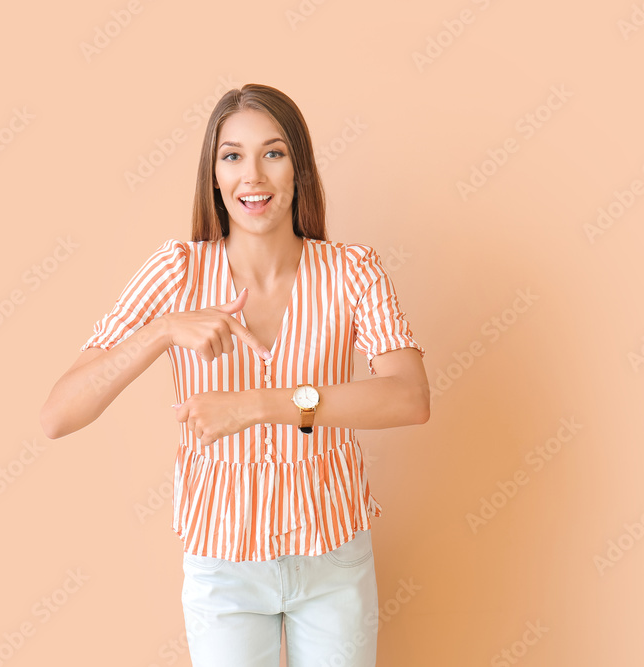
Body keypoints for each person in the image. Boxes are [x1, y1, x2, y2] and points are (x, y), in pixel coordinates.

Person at [40, 83, 429, 667]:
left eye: (273, 153)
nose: (253, 175)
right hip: (223, 567)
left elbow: (409, 397)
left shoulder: (351, 271)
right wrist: (162, 330)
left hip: (332, 556)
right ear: (214, 175)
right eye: (232, 156)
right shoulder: (175, 271)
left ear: (299, 167)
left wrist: (261, 405)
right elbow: (58, 414)